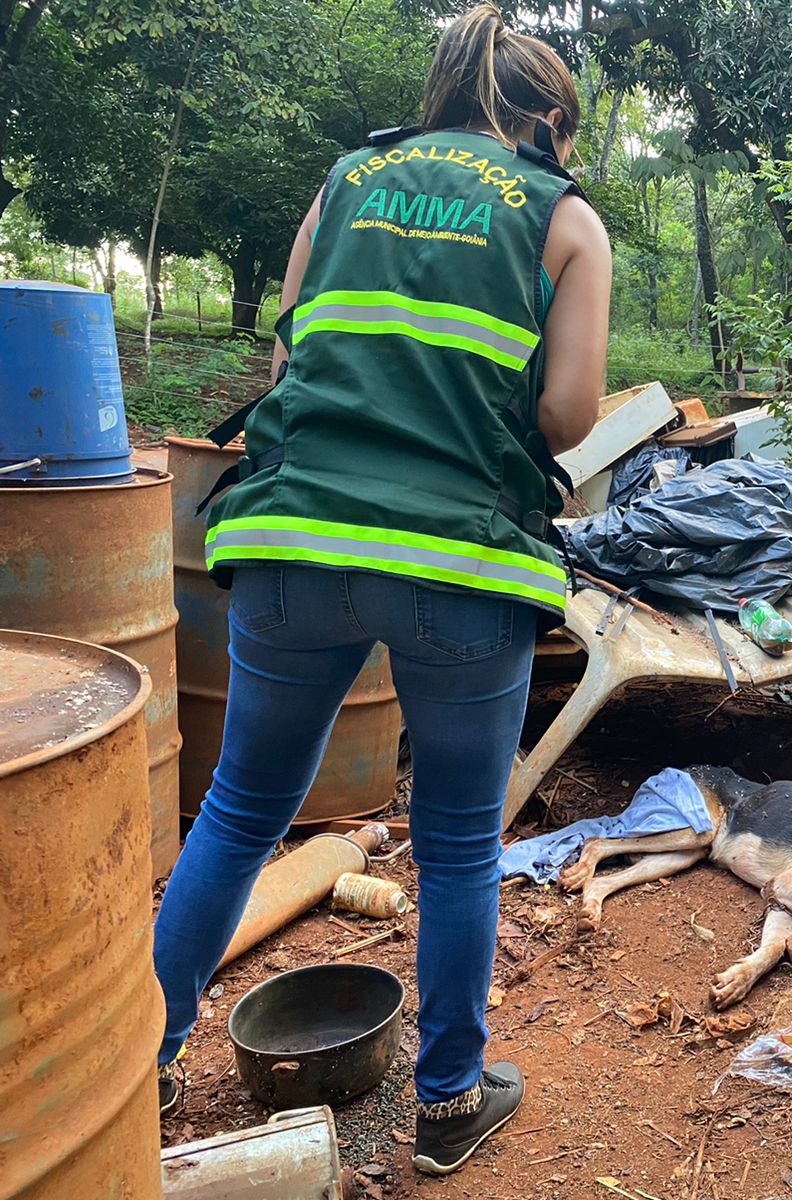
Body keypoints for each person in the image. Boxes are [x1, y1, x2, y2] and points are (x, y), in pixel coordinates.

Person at [151, 4, 611, 1177]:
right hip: (460, 564)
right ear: (548, 117)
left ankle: (141, 1060)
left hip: (296, 541)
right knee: (457, 847)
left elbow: (288, 362)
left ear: (446, 85)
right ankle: (449, 1105)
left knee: (244, 809)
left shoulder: (347, 179)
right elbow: (567, 417)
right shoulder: (562, 218)